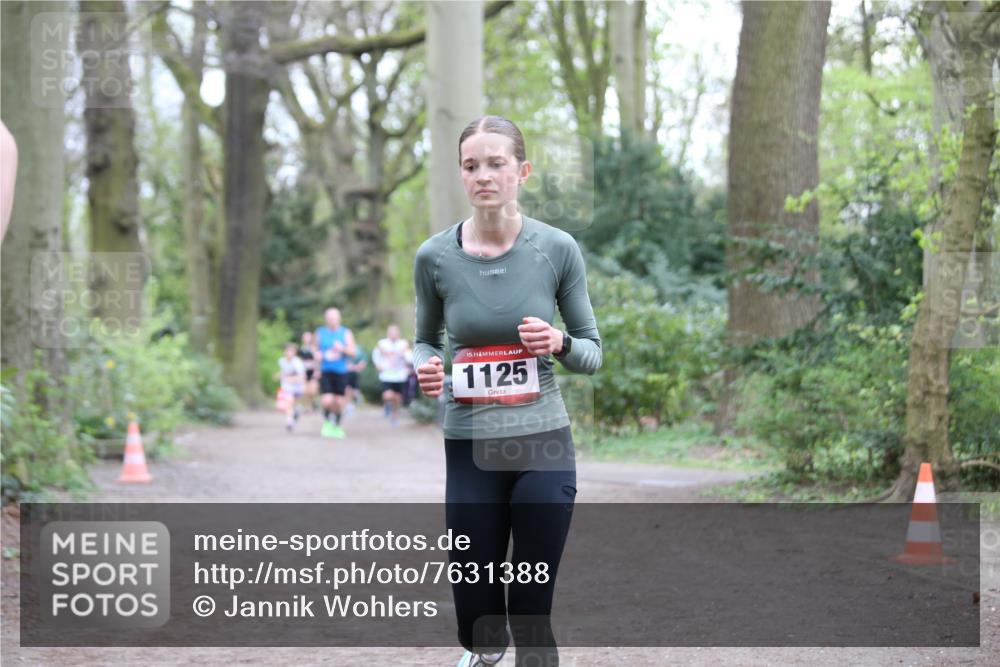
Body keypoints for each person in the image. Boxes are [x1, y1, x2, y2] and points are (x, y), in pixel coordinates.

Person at [413, 115, 601, 667]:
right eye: (472, 165)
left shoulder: (557, 248)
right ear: (461, 175)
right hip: (470, 443)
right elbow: (425, 341)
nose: (484, 176)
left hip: (542, 439)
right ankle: (484, 652)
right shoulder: (435, 257)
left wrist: (558, 342)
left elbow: (592, 351)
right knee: (477, 609)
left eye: (496, 163)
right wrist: (425, 367)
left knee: (530, 600)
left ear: (522, 171)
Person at [315, 307, 357, 439]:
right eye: (329, 318)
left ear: (339, 319)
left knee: (339, 401)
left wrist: (342, 348)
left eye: (334, 318)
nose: (331, 320)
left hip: (341, 371)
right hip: (326, 371)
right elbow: (314, 350)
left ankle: (337, 425)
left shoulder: (345, 332)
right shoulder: (320, 332)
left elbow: (353, 352)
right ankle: (327, 423)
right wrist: (317, 356)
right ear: (326, 319)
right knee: (327, 400)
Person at [372, 324, 412, 425]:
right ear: (388, 333)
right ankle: (387, 404)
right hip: (386, 375)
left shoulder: (404, 344)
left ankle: (394, 415)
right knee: (387, 395)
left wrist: (404, 356)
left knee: (398, 397)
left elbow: (410, 358)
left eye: (395, 332)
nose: (393, 334)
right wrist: (378, 366)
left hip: (400, 376)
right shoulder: (382, 343)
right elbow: (376, 355)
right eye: (391, 332)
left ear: (398, 333)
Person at [276, 343, 306, 433]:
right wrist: (279, 375)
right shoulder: (281, 361)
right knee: (289, 401)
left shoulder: (298, 363)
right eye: (288, 351)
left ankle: (296, 412)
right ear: (284, 352)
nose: (289, 353)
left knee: (294, 403)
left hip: (297, 386)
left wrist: (290, 379)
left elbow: (301, 377)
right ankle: (289, 421)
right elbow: (284, 371)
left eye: (292, 351)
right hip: (287, 386)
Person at [298, 331, 319, 412]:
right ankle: (308, 407)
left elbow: (317, 360)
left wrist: (317, 371)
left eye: (308, 337)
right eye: (305, 337)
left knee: (312, 391)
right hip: (304, 372)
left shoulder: (314, 348)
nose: (307, 339)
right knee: (305, 390)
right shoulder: (301, 349)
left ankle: (313, 403)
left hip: (313, 371)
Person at [344, 343, 367, 416]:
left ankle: (356, 397)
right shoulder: (344, 347)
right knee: (347, 389)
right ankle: (349, 406)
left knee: (353, 389)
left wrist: (357, 367)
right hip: (346, 372)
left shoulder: (359, 349)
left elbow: (363, 360)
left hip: (354, 373)